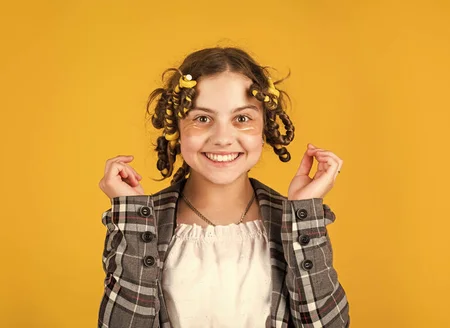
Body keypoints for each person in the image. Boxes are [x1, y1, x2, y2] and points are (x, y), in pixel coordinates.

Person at [97, 47, 349, 327]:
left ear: (264, 128)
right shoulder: (143, 222)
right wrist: (131, 214)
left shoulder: (292, 222)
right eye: (202, 118)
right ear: (177, 129)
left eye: (242, 119)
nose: (223, 138)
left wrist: (306, 211)